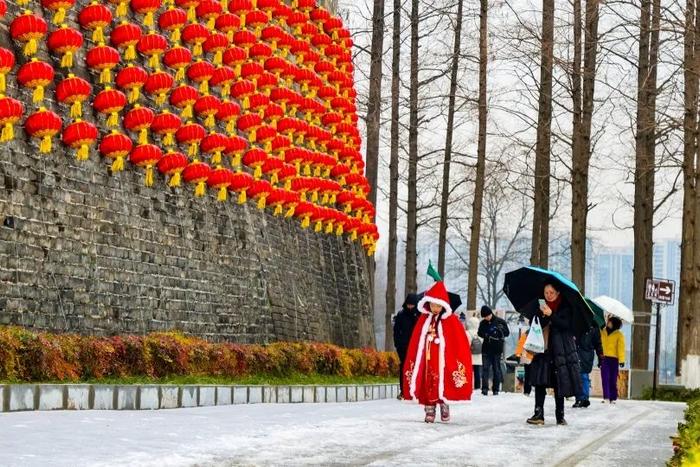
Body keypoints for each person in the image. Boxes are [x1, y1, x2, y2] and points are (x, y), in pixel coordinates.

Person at [402, 280, 473, 423]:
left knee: (443, 381)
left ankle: (444, 404)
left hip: (443, 359)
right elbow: (417, 340)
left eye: (438, 306)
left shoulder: (451, 320)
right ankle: (429, 408)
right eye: (433, 305)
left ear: (443, 305)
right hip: (428, 358)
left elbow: (458, 341)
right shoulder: (424, 319)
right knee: (428, 382)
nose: (435, 308)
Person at [523, 283, 582, 426]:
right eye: (546, 292)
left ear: (557, 293)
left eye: (551, 292)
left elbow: (566, 325)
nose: (548, 295)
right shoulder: (540, 306)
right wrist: (542, 315)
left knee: (559, 382)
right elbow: (534, 324)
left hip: (560, 350)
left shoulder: (565, 306)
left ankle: (560, 415)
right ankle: (538, 413)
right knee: (539, 381)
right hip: (542, 349)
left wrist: (551, 315)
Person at [477, 306, 509, 395]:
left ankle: (496, 389)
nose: (486, 318)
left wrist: (500, 330)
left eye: (488, 316)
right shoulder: (483, 323)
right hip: (486, 349)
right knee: (485, 369)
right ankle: (484, 388)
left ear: (491, 313)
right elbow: (479, 332)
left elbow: (507, 333)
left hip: (497, 349)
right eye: (485, 317)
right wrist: (486, 334)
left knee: (496, 369)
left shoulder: (500, 321)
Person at [393, 293, 420, 399]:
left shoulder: (419, 315)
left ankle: (415, 390)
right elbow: (396, 330)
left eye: (412, 305)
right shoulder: (401, 315)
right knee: (404, 367)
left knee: (415, 367)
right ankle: (403, 390)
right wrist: (397, 343)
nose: (410, 307)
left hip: (416, 346)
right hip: (403, 346)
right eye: (408, 305)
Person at [573, 325, 603, 408]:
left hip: (585, 354)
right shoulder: (577, 323)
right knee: (581, 375)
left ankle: (582, 398)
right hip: (580, 353)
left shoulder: (593, 327)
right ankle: (582, 398)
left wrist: (601, 358)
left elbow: (598, 344)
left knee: (582, 375)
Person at [600, 316, 625, 404]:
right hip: (604, 358)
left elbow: (621, 348)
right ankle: (606, 397)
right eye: (608, 322)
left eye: (610, 322)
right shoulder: (602, 332)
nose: (608, 323)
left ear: (614, 324)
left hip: (614, 359)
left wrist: (622, 360)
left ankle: (613, 397)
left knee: (612, 379)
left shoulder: (619, 335)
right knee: (605, 378)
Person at [467, 316, 483, 392]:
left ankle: (469, 386)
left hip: (469, 355)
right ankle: (477, 387)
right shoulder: (480, 332)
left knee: (469, 372)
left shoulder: (467, 332)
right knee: (477, 372)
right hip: (478, 355)